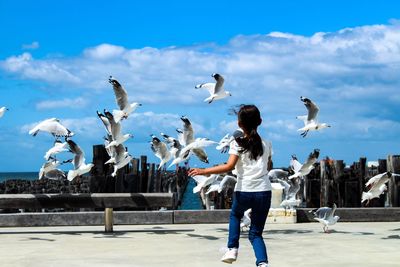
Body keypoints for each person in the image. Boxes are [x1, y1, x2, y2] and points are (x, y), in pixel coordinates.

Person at [188, 104, 272, 267]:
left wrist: (203, 170)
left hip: (244, 191)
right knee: (256, 233)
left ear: (239, 125)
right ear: (260, 121)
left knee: (235, 215)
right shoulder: (267, 144)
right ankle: (262, 263)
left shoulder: (237, 143)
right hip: (264, 192)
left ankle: (232, 249)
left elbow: (228, 167)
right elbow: (268, 166)